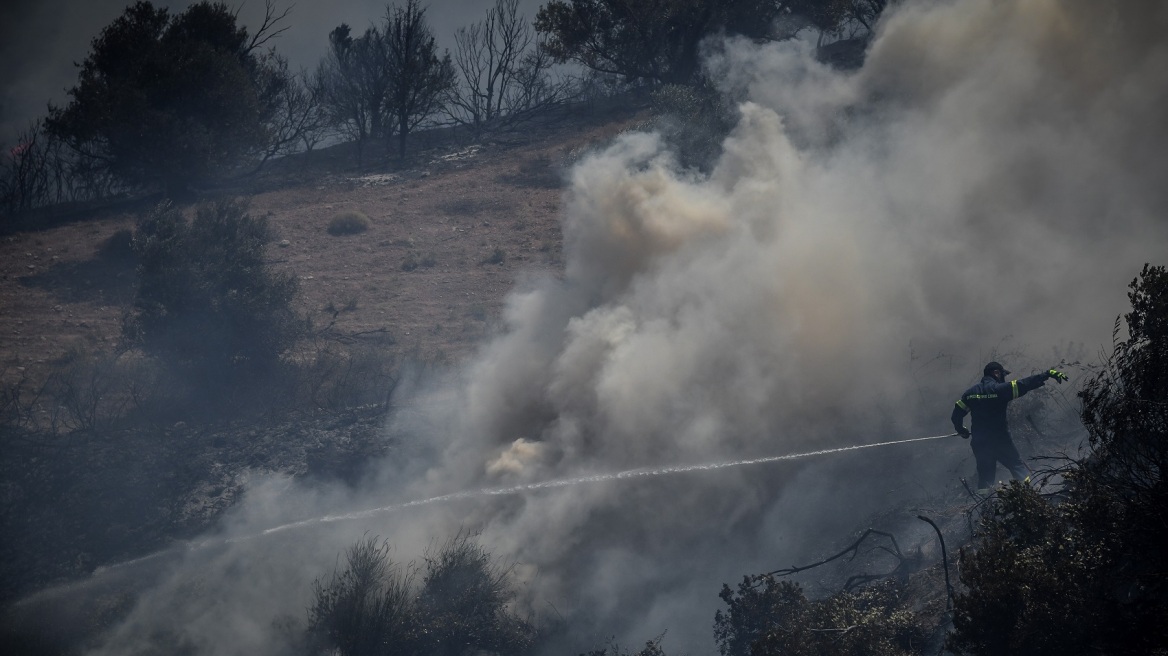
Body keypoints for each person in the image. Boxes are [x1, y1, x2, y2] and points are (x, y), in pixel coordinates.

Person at [951, 361, 1069, 492]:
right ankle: (1030, 496)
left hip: (980, 443)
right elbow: (1024, 384)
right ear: (996, 373)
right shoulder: (1000, 390)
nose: (1003, 378)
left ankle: (985, 508)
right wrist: (1047, 374)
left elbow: (956, 415)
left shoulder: (970, 394)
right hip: (1001, 440)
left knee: (985, 478)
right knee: (1017, 467)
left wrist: (962, 430)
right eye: (1002, 375)